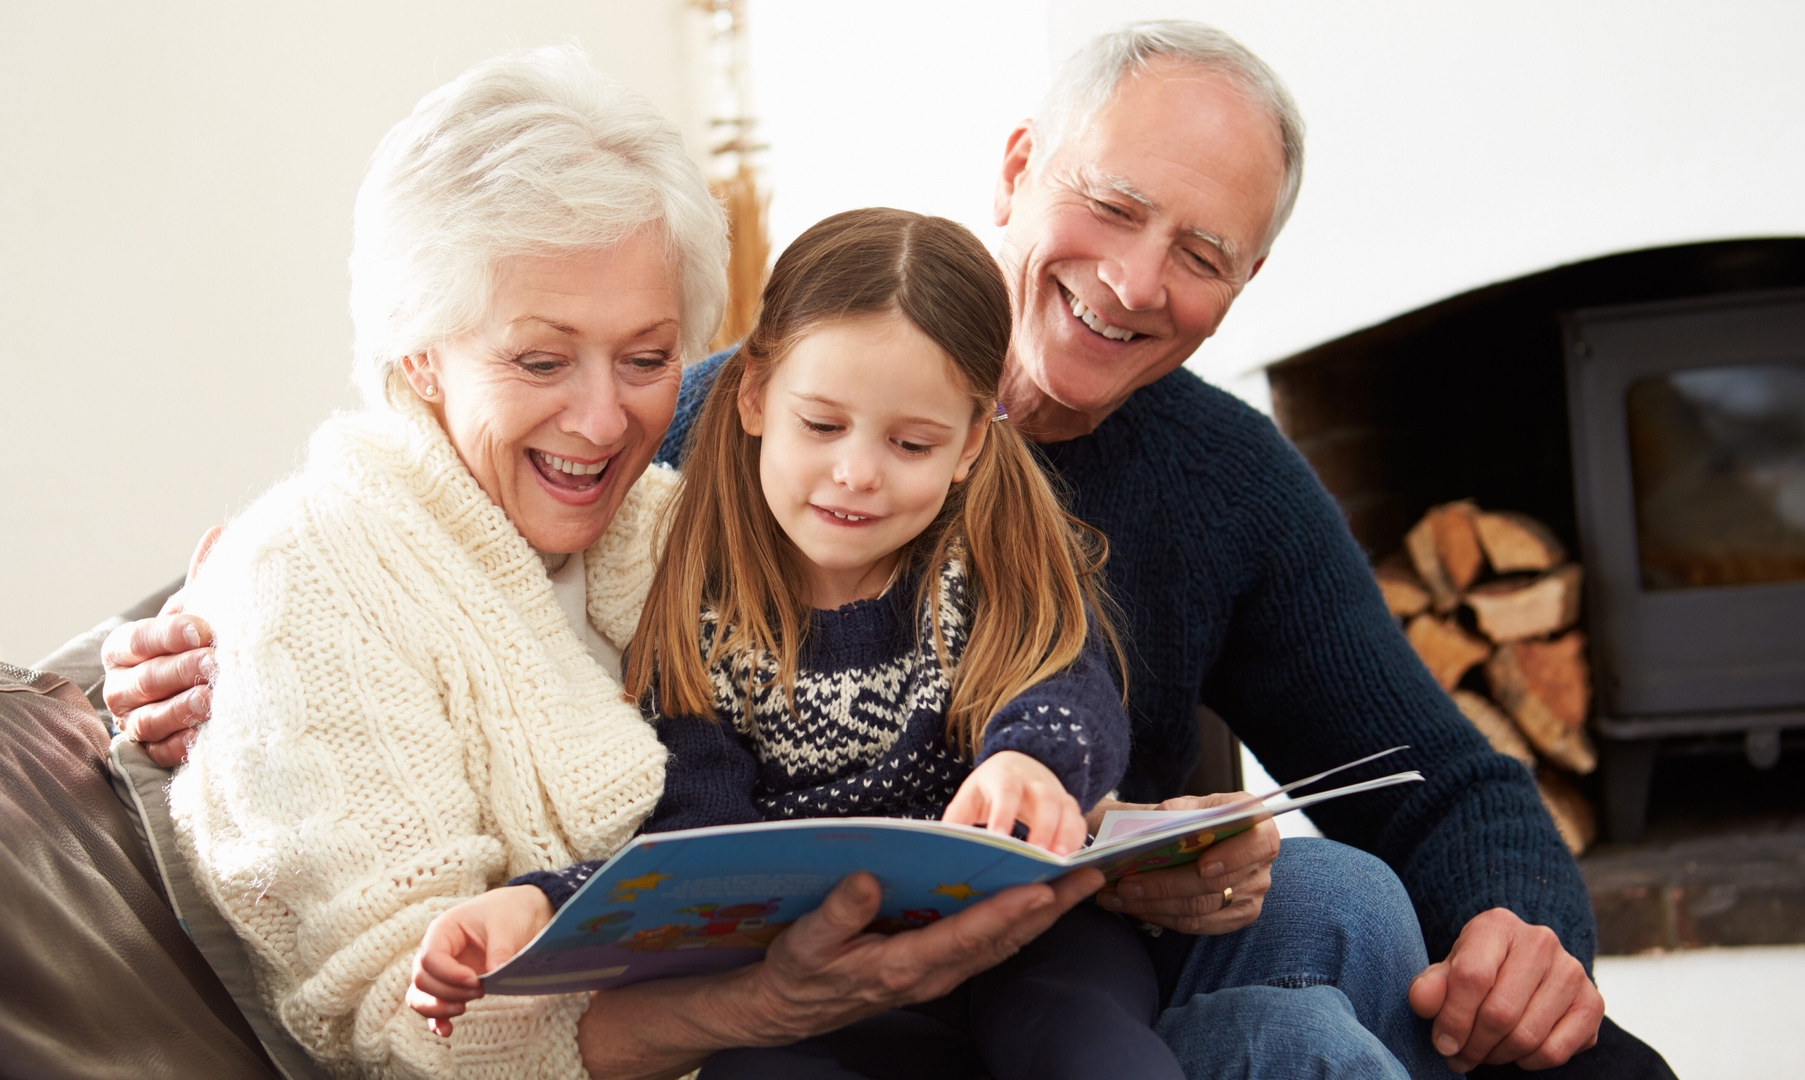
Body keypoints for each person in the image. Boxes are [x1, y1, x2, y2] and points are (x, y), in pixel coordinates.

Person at [106, 20, 1675, 1079]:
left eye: (1202, 254)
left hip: (1061, 935)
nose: (1134, 282)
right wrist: (186, 627)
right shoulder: (716, 443)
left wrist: (1520, 934)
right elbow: (425, 501)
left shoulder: (1224, 478)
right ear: (1013, 172)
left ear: (1248, 282)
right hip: (812, 983)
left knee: (1440, 963)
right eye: (1111, 206)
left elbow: (1436, 776)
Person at [160, 49, 1108, 1080]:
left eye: (649, 359)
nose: (607, 420)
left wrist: (1110, 816)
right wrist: (752, 1008)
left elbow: (975, 656)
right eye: (540, 360)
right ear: (417, 351)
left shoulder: (678, 525)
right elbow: (402, 1024)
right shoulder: (309, 578)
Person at [410, 207, 1180, 1080]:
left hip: (1030, 945)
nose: (857, 471)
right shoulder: (701, 614)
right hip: (826, 983)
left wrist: (1031, 765)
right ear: (752, 399)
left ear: (969, 443)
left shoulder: (983, 563)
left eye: (911, 443)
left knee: (1083, 1038)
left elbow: (1066, 695)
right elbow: (694, 842)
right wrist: (538, 907)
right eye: (821, 426)